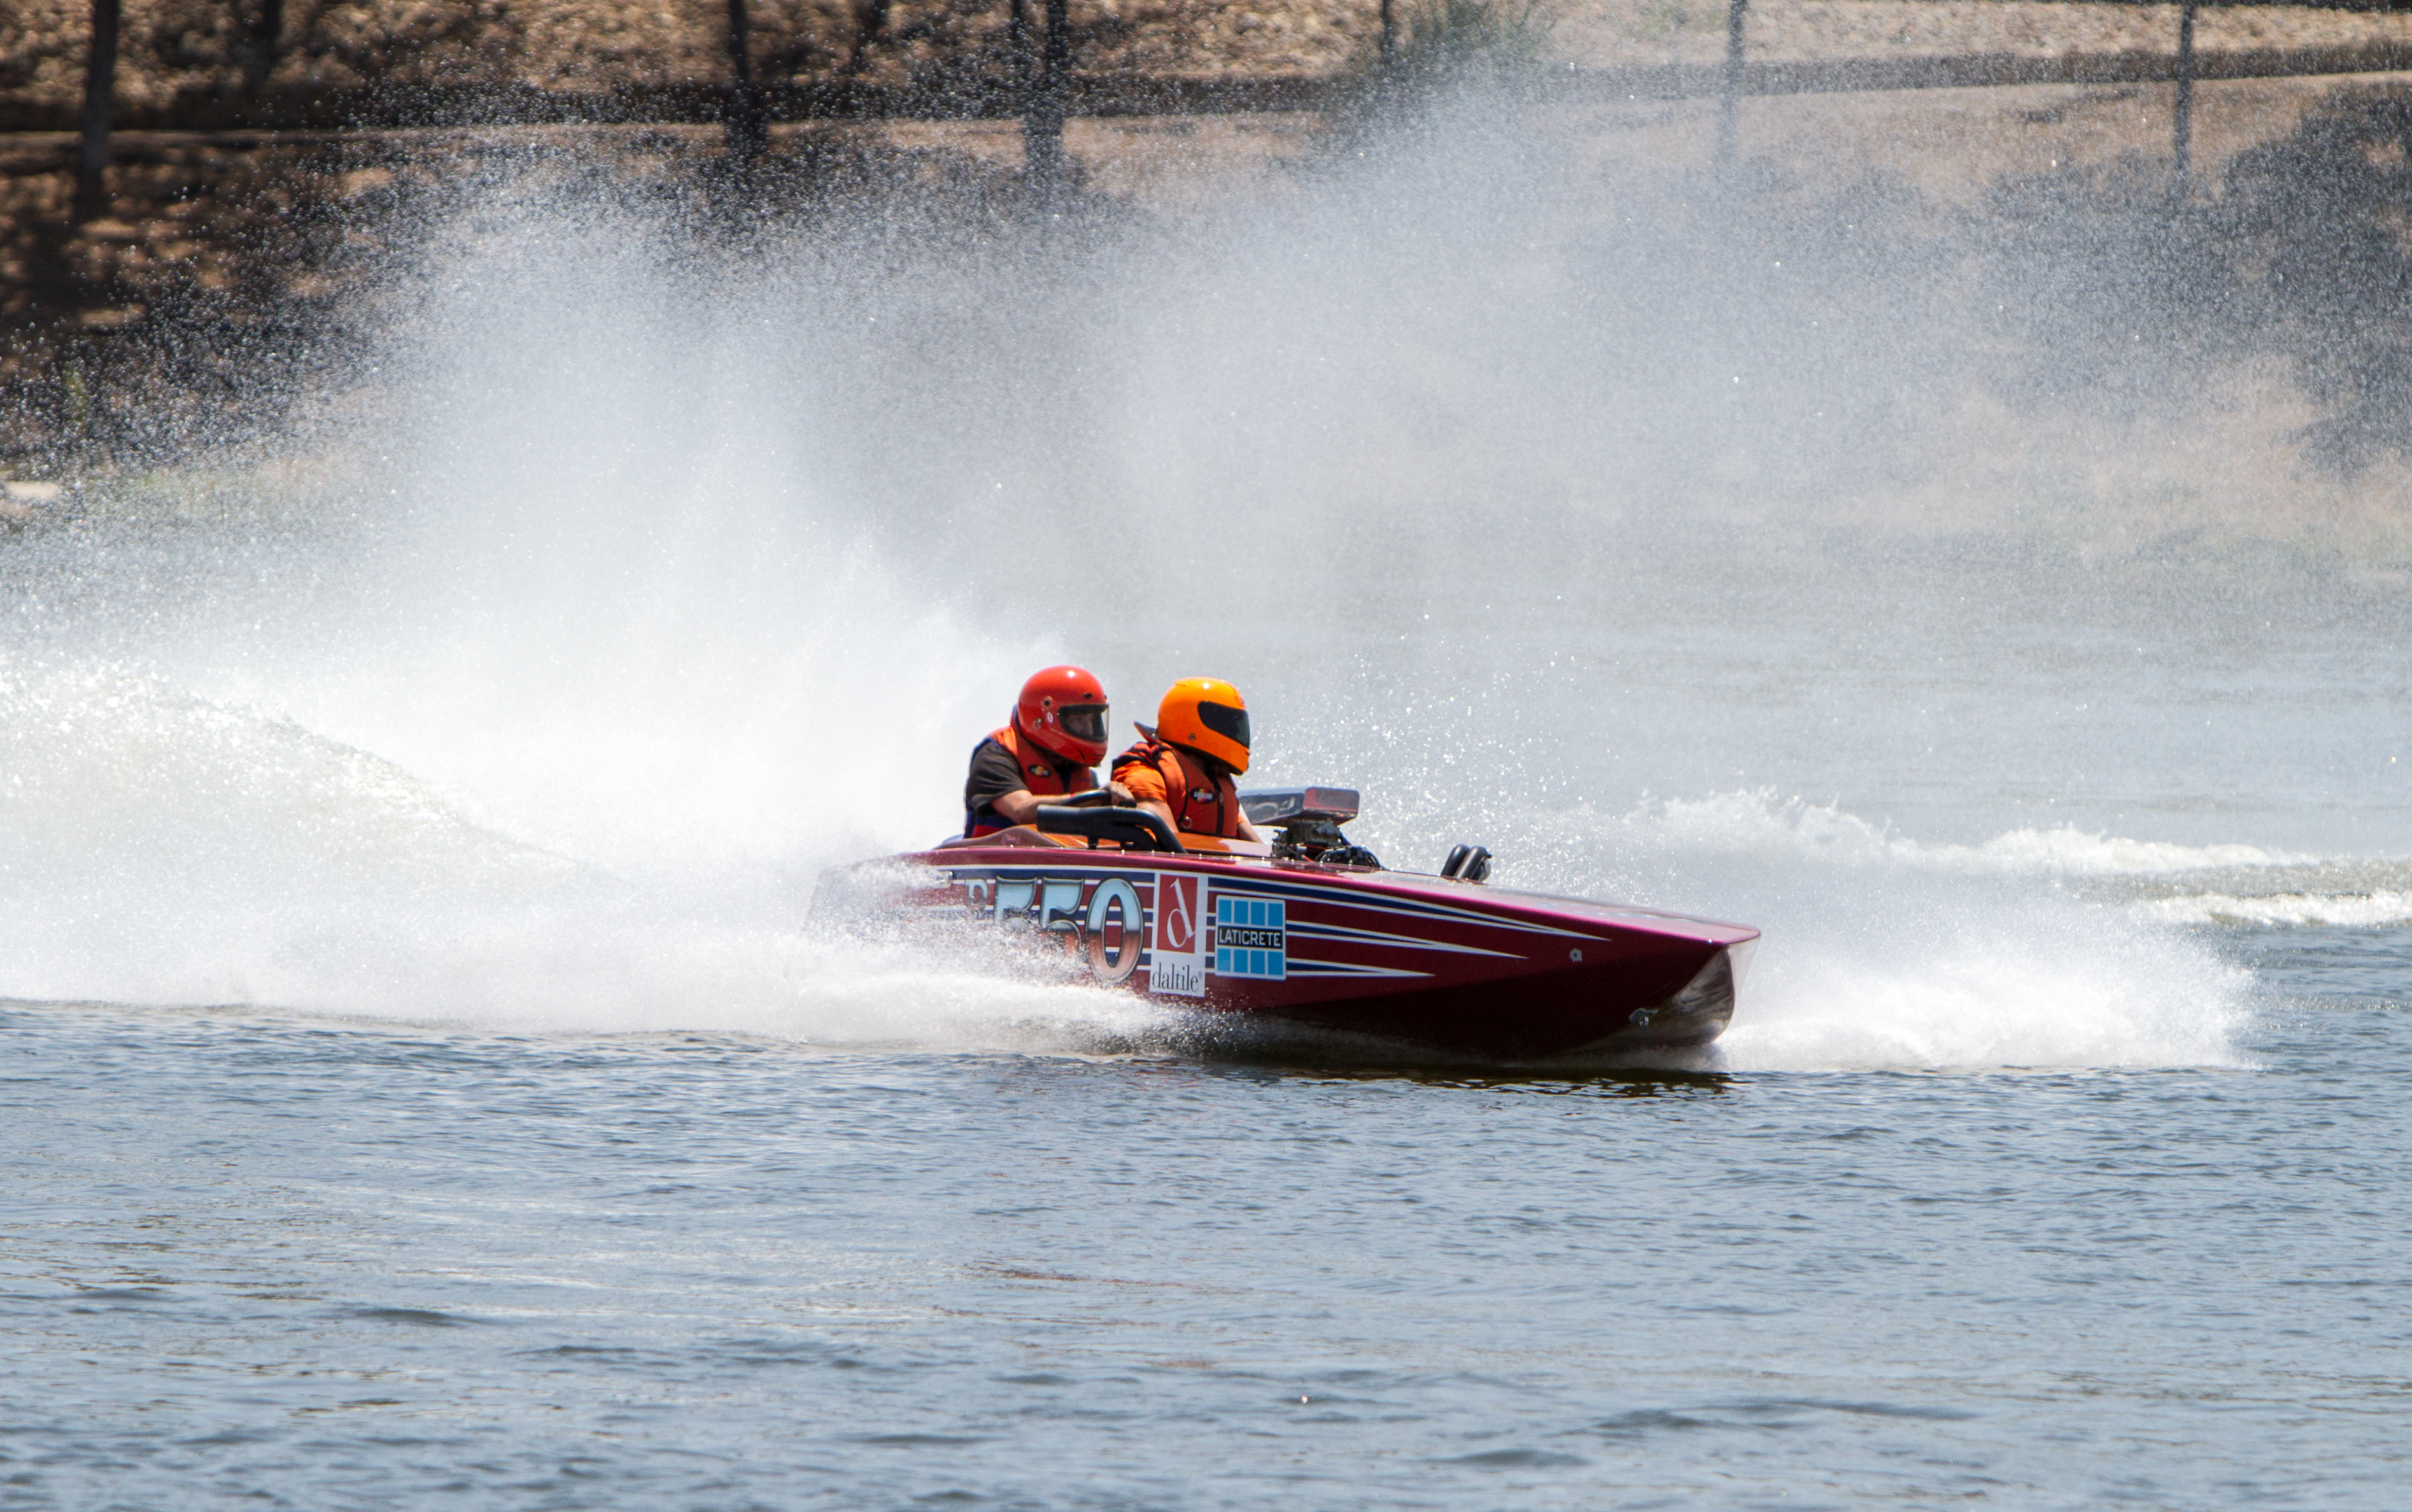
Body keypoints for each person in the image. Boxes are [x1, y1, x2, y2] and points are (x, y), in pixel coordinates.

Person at [962, 666, 1131, 838]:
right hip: (995, 858)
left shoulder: (1086, 776)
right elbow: (1021, 810)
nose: (1088, 728)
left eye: (1093, 720)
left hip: (1059, 858)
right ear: (1042, 718)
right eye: (1079, 719)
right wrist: (1091, 799)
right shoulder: (995, 757)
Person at [1112, 677, 1264, 843]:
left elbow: (1261, 852)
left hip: (1210, 867)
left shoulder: (1216, 780)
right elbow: (1169, 845)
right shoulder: (1145, 774)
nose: (1236, 733)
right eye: (1230, 726)